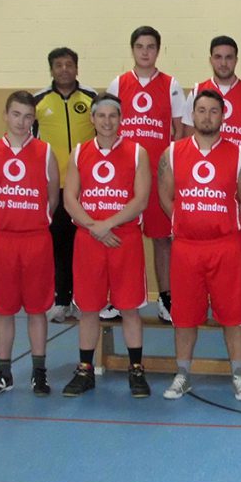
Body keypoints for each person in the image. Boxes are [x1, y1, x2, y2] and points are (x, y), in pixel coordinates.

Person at [159, 90, 241, 401]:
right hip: (186, 248)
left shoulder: (239, 155)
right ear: (193, 114)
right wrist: (186, 220)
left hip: (225, 247)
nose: (207, 116)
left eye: (214, 111)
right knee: (185, 316)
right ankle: (182, 374)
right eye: (201, 110)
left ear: (223, 115)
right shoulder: (173, 153)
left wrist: (221, 223)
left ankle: (238, 375)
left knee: (234, 315)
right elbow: (165, 196)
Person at [61, 93, 152, 397]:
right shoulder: (79, 152)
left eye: (113, 115)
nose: (107, 121)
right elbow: (69, 198)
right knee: (88, 308)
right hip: (89, 240)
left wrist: (107, 224)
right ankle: (85, 370)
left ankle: (136, 369)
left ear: (121, 119)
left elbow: (141, 200)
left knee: (129, 308)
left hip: (123, 239)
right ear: (92, 119)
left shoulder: (137, 152)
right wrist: (94, 227)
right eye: (101, 116)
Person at [0, 91, 60, 396]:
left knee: (37, 310)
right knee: (4, 310)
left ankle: (39, 373)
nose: (22, 122)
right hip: (2, 241)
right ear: (5, 115)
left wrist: (29, 220)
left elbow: (52, 199)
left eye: (28, 116)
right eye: (16, 114)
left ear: (34, 119)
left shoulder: (46, 152)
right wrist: (7, 221)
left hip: (36, 241)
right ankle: (3, 374)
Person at [106, 26, 185, 323]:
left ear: (158, 50)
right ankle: (119, 299)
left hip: (157, 177)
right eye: (140, 46)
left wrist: (171, 172)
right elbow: (107, 127)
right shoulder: (118, 84)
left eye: (151, 46)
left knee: (163, 239)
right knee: (122, 239)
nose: (145, 52)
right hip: (124, 178)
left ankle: (166, 298)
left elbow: (180, 131)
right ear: (132, 49)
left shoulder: (171, 85)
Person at [181, 36, 241, 326]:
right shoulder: (197, 92)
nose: (224, 62)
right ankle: (201, 304)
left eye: (229, 57)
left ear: (236, 60)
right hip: (203, 186)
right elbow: (186, 138)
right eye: (218, 56)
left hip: (236, 183)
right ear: (211, 59)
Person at [34, 47, 97, 323]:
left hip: (87, 187)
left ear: (77, 68)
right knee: (58, 245)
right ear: (51, 69)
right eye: (58, 65)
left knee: (85, 246)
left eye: (69, 64)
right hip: (54, 187)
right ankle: (61, 300)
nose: (64, 69)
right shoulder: (38, 101)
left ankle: (84, 299)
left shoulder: (92, 98)